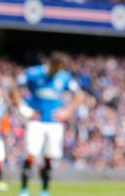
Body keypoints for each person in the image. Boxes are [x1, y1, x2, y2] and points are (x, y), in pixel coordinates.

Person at [12, 53, 83, 196]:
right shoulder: (34, 73)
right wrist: (23, 108)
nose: (58, 71)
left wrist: (67, 111)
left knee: (49, 156)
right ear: (51, 64)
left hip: (54, 123)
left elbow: (79, 95)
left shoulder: (64, 77)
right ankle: (24, 190)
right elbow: (14, 86)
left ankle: (44, 191)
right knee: (31, 154)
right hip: (36, 121)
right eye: (57, 68)